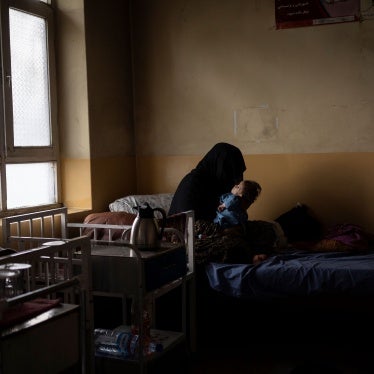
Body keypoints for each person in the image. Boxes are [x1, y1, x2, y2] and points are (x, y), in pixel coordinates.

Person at [168, 142, 246, 221]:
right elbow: (190, 225)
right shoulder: (192, 184)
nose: (236, 181)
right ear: (221, 166)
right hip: (181, 232)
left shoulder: (216, 186)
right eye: (230, 171)